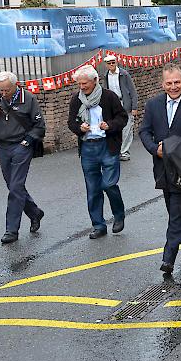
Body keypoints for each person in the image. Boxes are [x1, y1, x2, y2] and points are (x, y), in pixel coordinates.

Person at [139, 63, 181, 273]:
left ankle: (168, 258)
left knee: (177, 211)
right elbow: (144, 131)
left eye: (177, 82)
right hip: (161, 166)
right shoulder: (153, 104)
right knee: (174, 208)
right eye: (169, 83)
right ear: (163, 84)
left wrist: (169, 148)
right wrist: (155, 150)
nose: (173, 87)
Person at [0, 71, 45, 244]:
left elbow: (39, 126)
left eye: (6, 90)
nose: (3, 93)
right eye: (0, 90)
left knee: (16, 187)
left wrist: (26, 142)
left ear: (15, 85)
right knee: (12, 186)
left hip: (21, 146)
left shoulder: (28, 98)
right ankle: (35, 213)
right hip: (3, 146)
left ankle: (11, 230)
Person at [68, 65, 128, 239]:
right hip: (88, 147)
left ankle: (119, 215)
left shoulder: (109, 96)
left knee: (108, 184)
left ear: (95, 81)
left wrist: (109, 125)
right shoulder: (76, 99)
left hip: (107, 145)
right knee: (93, 188)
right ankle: (98, 225)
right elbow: (71, 122)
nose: (82, 87)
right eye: (79, 84)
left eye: (85, 83)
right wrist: (80, 128)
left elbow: (122, 117)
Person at [100, 54, 138, 161]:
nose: (112, 65)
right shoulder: (106, 75)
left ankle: (124, 151)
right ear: (106, 65)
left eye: (113, 62)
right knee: (114, 126)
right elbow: (105, 90)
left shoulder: (124, 74)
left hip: (125, 103)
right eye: (109, 63)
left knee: (127, 128)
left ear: (116, 63)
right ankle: (116, 150)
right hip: (113, 104)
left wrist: (134, 107)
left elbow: (132, 91)